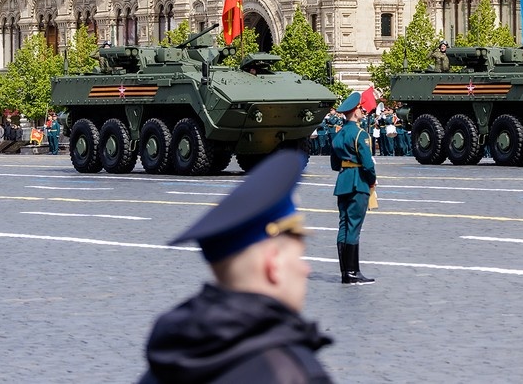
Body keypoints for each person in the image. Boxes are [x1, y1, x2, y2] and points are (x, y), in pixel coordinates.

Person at [138, 151, 334, 383]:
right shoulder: (293, 372)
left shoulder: (167, 359)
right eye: (300, 257)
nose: (306, 270)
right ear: (273, 264)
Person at [330, 91, 377, 285]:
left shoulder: (338, 135)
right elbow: (368, 164)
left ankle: (345, 272)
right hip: (358, 182)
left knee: (343, 225)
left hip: (343, 182)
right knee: (354, 227)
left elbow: (334, 165)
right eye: (361, 109)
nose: (363, 111)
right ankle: (352, 272)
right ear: (355, 111)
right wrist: (372, 180)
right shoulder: (360, 134)